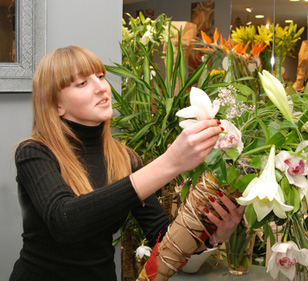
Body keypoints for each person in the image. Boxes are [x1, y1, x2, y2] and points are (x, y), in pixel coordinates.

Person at [10, 45, 245, 281]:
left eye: (100, 77)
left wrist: (211, 235)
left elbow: (163, 240)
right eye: (82, 83)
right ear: (57, 105)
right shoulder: (34, 153)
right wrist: (169, 164)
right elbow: (66, 220)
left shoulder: (125, 159)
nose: (102, 87)